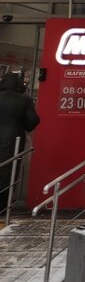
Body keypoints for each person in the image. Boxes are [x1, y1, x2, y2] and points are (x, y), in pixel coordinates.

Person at [0, 73, 40, 211]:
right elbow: (32, 121)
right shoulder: (24, 99)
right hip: (13, 142)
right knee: (8, 173)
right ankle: (3, 206)